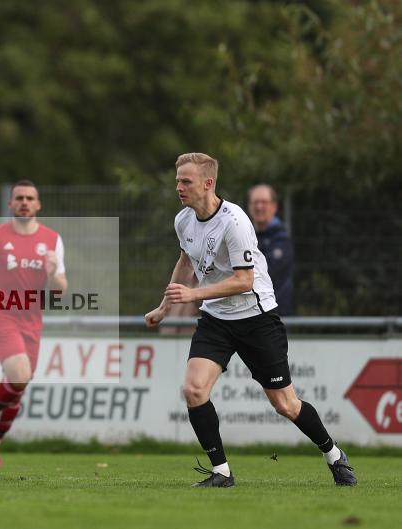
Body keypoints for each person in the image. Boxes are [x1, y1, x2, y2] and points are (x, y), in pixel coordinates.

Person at [144, 152, 355, 487]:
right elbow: (185, 261)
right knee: (194, 389)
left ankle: (333, 454)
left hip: (257, 319)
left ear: (208, 183)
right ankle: (221, 473)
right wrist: (164, 307)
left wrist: (194, 295)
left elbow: (244, 280)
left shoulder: (235, 221)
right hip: (216, 320)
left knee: (285, 405)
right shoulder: (183, 220)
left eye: (186, 181)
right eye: (177, 181)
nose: (179, 187)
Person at [0, 180, 67, 467]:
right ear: (11, 204)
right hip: (0, 316)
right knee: (18, 374)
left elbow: (60, 290)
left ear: (38, 205)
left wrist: (53, 274)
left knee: (20, 385)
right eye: (20, 198)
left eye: (30, 198)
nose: (25, 202)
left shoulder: (52, 240)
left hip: (32, 319)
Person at [247, 184, 294, 316]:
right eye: (255, 202)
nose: (259, 207)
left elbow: (263, 274)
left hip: (276, 315)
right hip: (248, 315)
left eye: (264, 202)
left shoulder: (282, 239)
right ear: (250, 206)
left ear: (274, 206)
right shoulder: (245, 236)